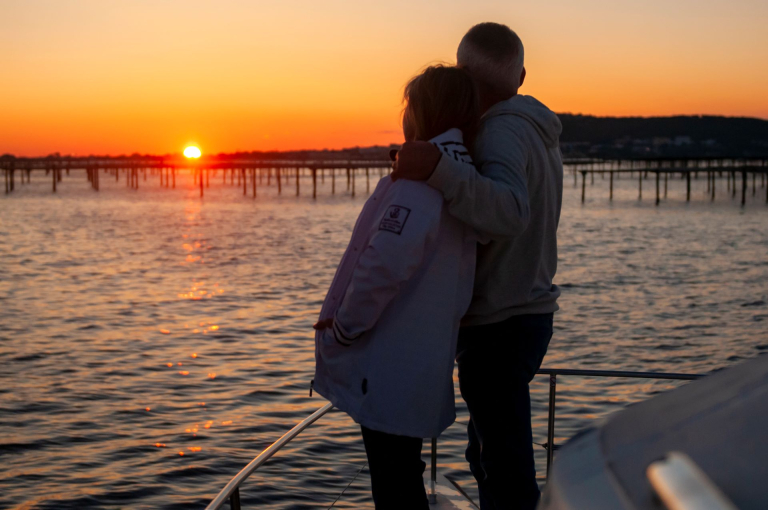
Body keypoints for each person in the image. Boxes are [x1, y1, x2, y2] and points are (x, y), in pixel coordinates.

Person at [392, 23, 564, 510]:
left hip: (501, 321)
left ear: (463, 71)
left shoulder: (501, 128)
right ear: (522, 75)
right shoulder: (539, 130)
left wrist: (437, 169)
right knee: (488, 452)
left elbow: (509, 211)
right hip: (527, 312)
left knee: (504, 464)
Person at [312, 65, 485, 510]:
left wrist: (345, 329)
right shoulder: (464, 175)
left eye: (410, 106)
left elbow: (382, 266)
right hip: (423, 355)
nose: (405, 115)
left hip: (391, 363)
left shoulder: (420, 182)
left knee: (394, 484)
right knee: (403, 475)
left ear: (427, 111)